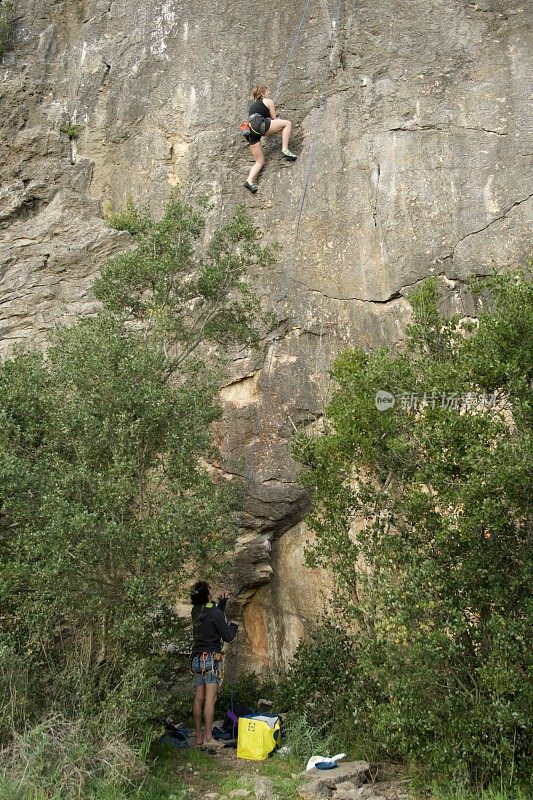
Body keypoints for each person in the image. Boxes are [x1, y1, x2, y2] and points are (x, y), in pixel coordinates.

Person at [190, 581, 238, 747]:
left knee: (199, 698)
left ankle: (198, 737)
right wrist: (233, 627)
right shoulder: (215, 614)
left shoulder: (195, 611)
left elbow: (212, 613)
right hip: (211, 659)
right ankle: (209, 738)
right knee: (211, 698)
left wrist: (221, 604)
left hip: (197, 659)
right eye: (210, 592)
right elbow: (228, 636)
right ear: (207, 595)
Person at [244, 84, 297, 194]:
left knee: (259, 161)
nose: (269, 93)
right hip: (260, 125)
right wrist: (278, 121)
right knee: (287, 123)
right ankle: (285, 149)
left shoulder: (254, 106)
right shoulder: (268, 101)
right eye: (267, 91)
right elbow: (275, 118)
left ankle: (249, 181)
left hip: (251, 130)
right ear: (263, 93)